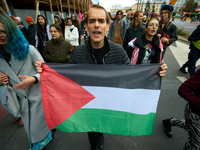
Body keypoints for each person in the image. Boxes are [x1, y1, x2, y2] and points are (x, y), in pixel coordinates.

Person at [36, 4, 168, 150]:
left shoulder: (118, 51)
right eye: (92, 21)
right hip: (87, 102)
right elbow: (67, 79)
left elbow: (131, 76)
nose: (96, 25)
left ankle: (100, 138)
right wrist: (45, 72)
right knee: (92, 131)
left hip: (109, 102)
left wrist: (154, 73)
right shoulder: (78, 52)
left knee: (103, 125)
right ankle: (95, 145)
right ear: (86, 26)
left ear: (107, 25)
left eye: (101, 21)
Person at [0, 7, 52, 150]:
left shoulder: (29, 50)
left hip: (38, 100)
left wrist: (34, 79)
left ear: (11, 31)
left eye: (4, 31)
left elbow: (46, 71)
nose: (1, 35)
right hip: (20, 103)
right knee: (32, 134)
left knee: (38, 136)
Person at [162, 68, 200, 149]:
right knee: (196, 146)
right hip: (196, 113)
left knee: (190, 127)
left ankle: (170, 122)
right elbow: (183, 90)